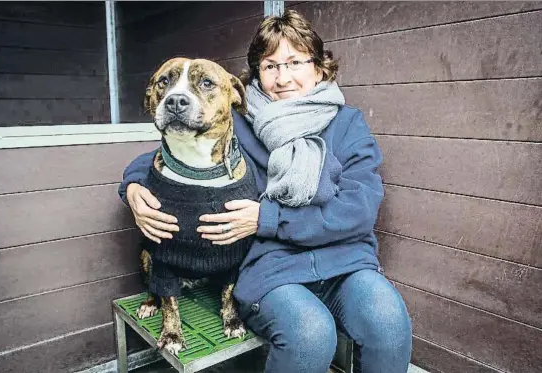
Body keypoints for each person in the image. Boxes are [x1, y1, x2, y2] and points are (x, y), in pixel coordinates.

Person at [118, 10, 412, 373]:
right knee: (311, 335)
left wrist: (267, 217)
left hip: (345, 262)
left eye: (295, 62)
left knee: (389, 322)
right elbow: (165, 155)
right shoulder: (237, 122)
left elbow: (358, 209)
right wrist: (131, 186)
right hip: (269, 266)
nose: (283, 77)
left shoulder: (347, 125)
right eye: (270, 66)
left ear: (319, 68)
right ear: (256, 74)